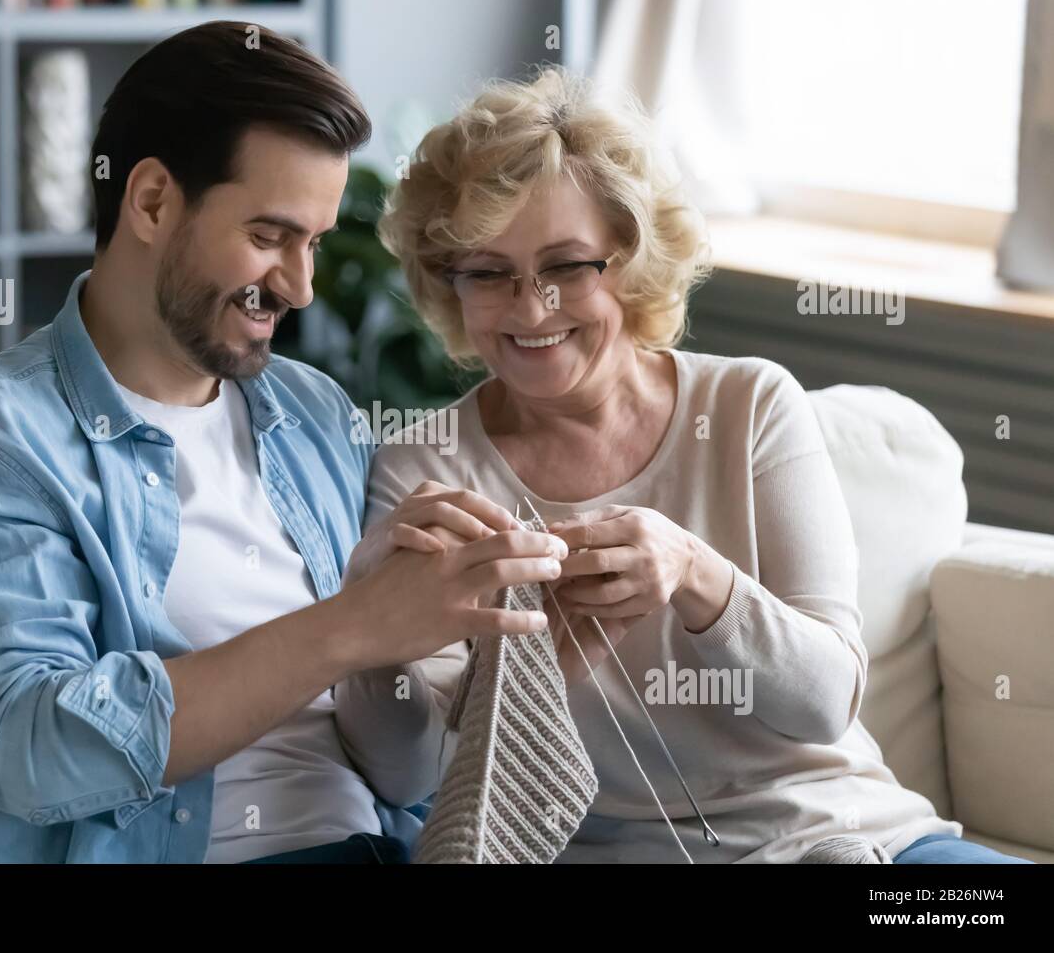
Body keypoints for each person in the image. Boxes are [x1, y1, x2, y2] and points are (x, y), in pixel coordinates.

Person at [0, 22, 563, 864]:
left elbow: (401, 779)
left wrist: (399, 646)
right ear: (152, 201)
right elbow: (31, 749)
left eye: (314, 243)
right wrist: (348, 626)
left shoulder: (314, 417)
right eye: (268, 237)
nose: (299, 286)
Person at [334, 66, 1031, 864]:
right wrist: (371, 625)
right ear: (447, 284)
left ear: (629, 260)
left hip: (841, 837)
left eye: (566, 266)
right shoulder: (426, 467)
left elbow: (826, 701)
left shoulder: (750, 405)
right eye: (489, 273)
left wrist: (699, 574)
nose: (531, 309)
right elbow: (406, 774)